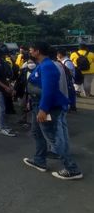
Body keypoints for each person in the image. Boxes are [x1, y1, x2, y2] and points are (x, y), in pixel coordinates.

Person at [23, 42, 83, 180]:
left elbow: (49, 91)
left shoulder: (48, 66)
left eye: (31, 50)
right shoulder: (43, 65)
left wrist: (43, 110)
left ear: (38, 51)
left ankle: (72, 169)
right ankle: (39, 160)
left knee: (54, 139)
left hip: (47, 107)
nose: (29, 52)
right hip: (39, 105)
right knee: (37, 133)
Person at [0, 49, 17, 137]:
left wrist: (9, 86)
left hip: (1, 89)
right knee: (1, 108)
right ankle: (3, 127)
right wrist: (5, 87)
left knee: (0, 108)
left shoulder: (1, 64)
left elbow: (5, 77)